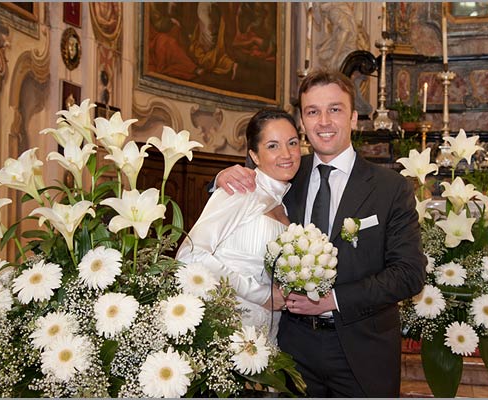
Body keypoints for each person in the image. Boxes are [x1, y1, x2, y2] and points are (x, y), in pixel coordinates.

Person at [214, 69, 426, 397]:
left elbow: (409, 274)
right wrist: (221, 178)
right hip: (292, 348)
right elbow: (234, 203)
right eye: (313, 111)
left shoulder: (390, 188)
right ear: (302, 120)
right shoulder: (286, 175)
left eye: (335, 109)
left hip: (362, 349)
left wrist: (334, 300)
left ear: (354, 118)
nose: (324, 121)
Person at [176, 108, 301, 343]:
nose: (287, 153)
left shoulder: (285, 205)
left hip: (267, 336)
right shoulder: (240, 190)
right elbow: (190, 254)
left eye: (292, 143)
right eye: (273, 146)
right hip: (229, 327)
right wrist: (261, 294)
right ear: (254, 155)